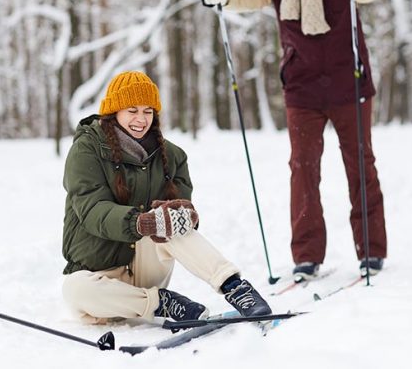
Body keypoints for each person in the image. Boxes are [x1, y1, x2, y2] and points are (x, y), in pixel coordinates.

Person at [200, 0, 388, 279]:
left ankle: (372, 249)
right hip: (301, 86)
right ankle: (307, 255)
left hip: (349, 81)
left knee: (359, 162)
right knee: (302, 169)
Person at [61, 71, 272, 324]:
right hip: (101, 280)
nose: (141, 119)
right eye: (132, 110)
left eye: (148, 111)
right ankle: (161, 303)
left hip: (145, 269)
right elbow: (92, 209)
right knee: (74, 290)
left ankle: (234, 287)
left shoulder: (172, 156)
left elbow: (180, 217)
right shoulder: (87, 149)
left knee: (171, 222)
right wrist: (141, 222)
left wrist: (184, 215)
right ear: (114, 111)